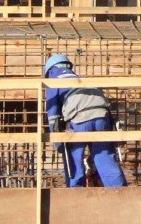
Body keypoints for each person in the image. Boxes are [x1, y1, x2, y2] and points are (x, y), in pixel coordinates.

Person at [42, 53, 127, 188]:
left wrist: (58, 141)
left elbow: (53, 114)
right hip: (102, 115)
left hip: (79, 117)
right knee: (104, 156)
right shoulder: (81, 79)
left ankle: (76, 194)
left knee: (73, 158)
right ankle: (121, 194)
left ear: (49, 71)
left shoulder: (54, 79)